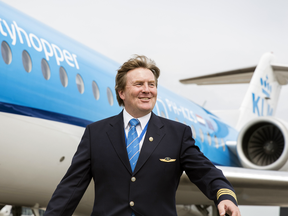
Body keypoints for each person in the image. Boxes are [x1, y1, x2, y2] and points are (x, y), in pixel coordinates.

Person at [44, 55, 241, 216]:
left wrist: (224, 196)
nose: (147, 90)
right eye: (139, 84)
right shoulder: (96, 134)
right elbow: (70, 188)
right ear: (121, 92)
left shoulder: (177, 134)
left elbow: (206, 172)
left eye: (151, 84)